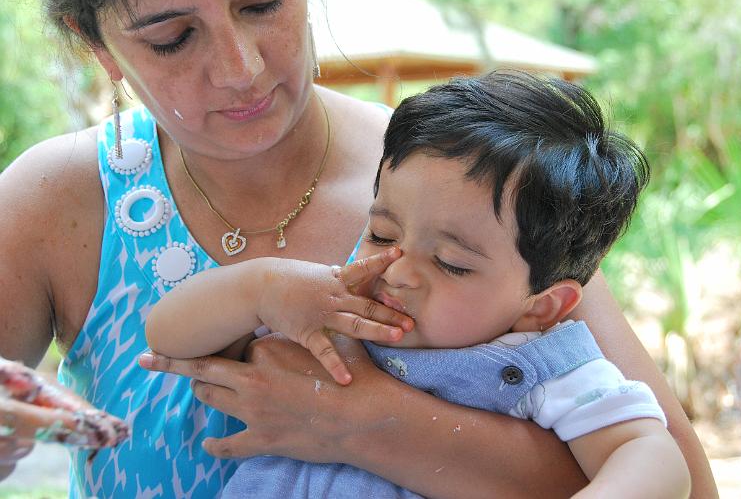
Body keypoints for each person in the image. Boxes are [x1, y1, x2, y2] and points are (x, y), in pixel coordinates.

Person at [0, 0, 717, 497]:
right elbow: (165, 335)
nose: (241, 69)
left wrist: (371, 423)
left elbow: (674, 474)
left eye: (261, 1)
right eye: (173, 37)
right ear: (94, 44)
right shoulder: (54, 201)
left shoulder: (459, 184)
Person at [146, 72, 692, 499]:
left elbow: (655, 458)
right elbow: (168, 335)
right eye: (382, 233)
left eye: (452, 263)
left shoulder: (546, 367)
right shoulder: (335, 308)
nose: (399, 269)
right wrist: (258, 288)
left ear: (542, 306)